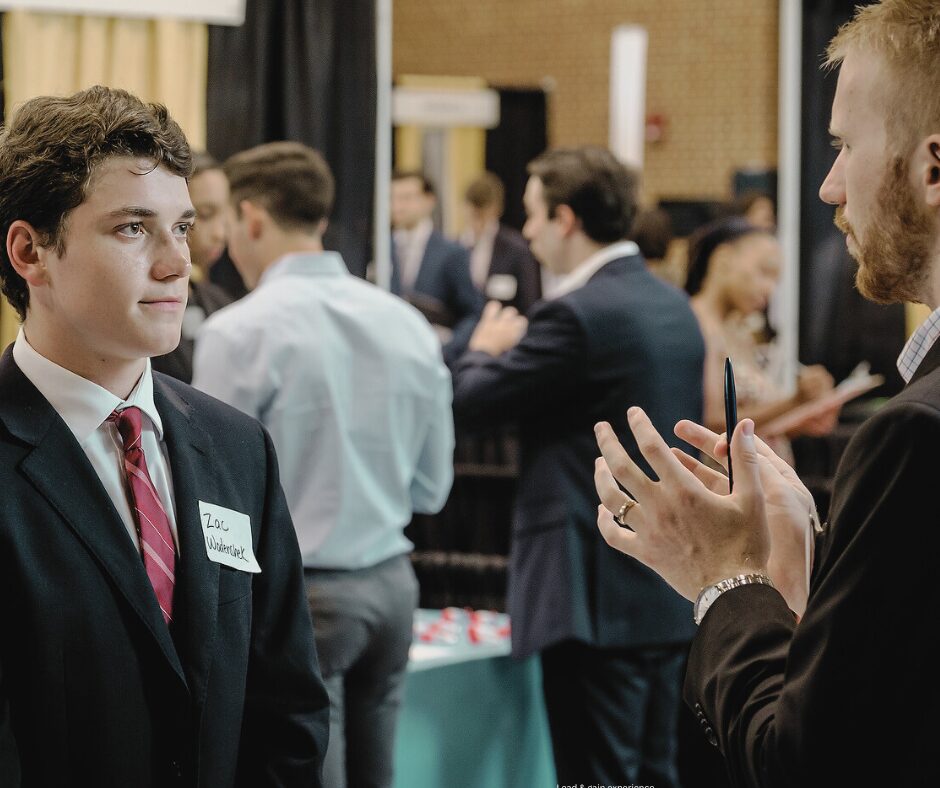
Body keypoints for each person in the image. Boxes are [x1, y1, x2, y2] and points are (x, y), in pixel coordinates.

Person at [594, 1, 940, 784]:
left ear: (932, 165)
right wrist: (803, 583)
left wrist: (730, 577)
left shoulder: (913, 434)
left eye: (845, 145)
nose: (827, 187)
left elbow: (808, 764)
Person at [0, 86, 328, 786]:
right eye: (132, 229)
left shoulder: (236, 446)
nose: (178, 264)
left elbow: (287, 707)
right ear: (31, 251)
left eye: (182, 228)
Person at [192, 142, 454, 788]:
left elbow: (214, 493)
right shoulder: (406, 322)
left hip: (300, 596)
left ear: (251, 217)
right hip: (393, 588)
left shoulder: (239, 331)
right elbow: (432, 488)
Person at [451, 146, 705, 787]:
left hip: (591, 589)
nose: (526, 233)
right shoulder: (671, 304)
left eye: (533, 216)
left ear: (566, 219)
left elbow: (470, 403)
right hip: (665, 584)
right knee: (655, 769)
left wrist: (481, 349)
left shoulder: (577, 313)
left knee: (597, 776)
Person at [685, 217, 838, 452]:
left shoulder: (739, 332)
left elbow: (753, 422)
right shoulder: (698, 326)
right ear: (723, 259)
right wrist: (794, 401)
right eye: (764, 272)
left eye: (775, 280)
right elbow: (712, 420)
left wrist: (802, 416)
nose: (769, 289)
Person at [151, 152, 233, 382]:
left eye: (225, 217)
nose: (220, 234)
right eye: (206, 215)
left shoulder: (220, 302)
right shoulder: (142, 305)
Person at [390, 170, 482, 363]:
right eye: (393, 198)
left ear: (429, 201)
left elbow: (471, 312)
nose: (398, 206)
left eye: (406, 198)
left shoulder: (451, 253)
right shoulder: (381, 249)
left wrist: (449, 348)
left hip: (437, 357)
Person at [460, 171, 542, 314]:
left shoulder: (516, 248)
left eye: (482, 214)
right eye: (473, 213)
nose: (478, 220)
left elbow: (530, 301)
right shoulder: (456, 247)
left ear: (496, 209)